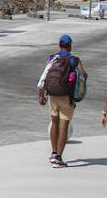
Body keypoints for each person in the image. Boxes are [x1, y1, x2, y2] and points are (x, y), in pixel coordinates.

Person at [37, 34, 88, 168]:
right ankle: (59, 158)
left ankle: (53, 153)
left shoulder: (52, 58)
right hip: (66, 97)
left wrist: (41, 95)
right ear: (70, 45)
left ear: (60, 45)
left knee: (54, 122)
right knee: (64, 126)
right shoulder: (74, 60)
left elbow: (44, 76)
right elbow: (84, 75)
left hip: (52, 96)